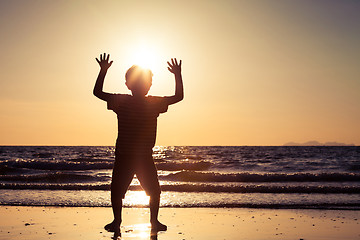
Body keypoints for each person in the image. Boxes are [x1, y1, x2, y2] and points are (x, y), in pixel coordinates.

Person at [93, 53, 183, 237]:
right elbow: (97, 93)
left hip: (144, 156)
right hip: (124, 155)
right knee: (117, 190)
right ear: (128, 85)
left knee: (154, 191)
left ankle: (153, 221)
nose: (143, 85)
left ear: (150, 85)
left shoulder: (153, 103)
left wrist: (177, 74)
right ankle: (117, 221)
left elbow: (179, 97)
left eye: (146, 81)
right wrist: (102, 71)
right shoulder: (122, 101)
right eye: (138, 82)